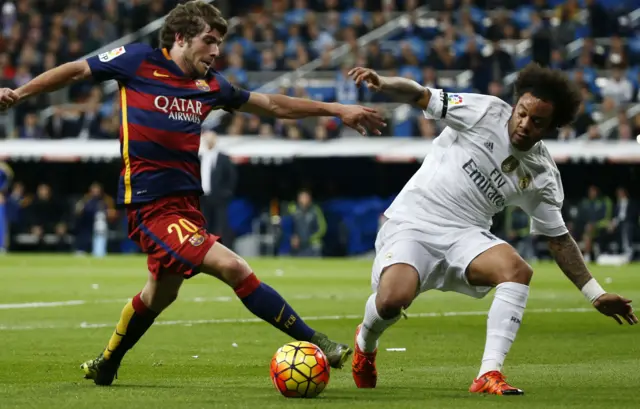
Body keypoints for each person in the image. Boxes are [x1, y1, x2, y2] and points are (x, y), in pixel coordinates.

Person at [0, 1, 386, 386]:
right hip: (151, 207)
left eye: (219, 42)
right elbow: (77, 70)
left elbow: (271, 104)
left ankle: (107, 362)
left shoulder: (211, 84)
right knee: (234, 266)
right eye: (210, 40)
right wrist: (20, 93)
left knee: (159, 295)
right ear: (181, 38)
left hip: (187, 206)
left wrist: (336, 109)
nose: (216, 50)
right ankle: (317, 341)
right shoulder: (136, 62)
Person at [346, 63, 637, 395]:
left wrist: (595, 294)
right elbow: (419, 94)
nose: (525, 124)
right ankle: (365, 343)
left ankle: (488, 373)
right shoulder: (484, 112)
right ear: (515, 106)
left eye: (537, 121)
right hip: (416, 221)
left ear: (551, 127)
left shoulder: (542, 176)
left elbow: (558, 239)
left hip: (466, 235)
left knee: (517, 270)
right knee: (391, 301)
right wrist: (383, 82)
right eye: (522, 113)